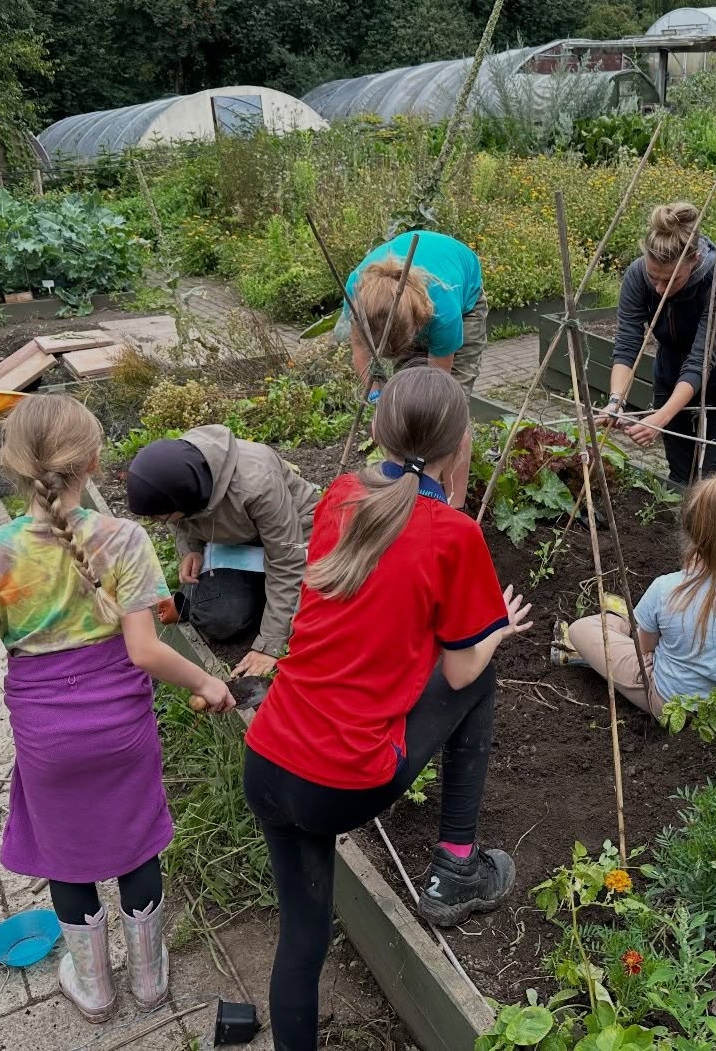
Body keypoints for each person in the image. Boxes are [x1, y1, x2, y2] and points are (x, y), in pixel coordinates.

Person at [241, 366, 532, 1050]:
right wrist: (494, 629)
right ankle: (457, 867)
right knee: (479, 677)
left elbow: (370, 606)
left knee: (302, 936)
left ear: (377, 430)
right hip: (343, 781)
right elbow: (458, 667)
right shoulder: (452, 533)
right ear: (462, 444)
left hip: (269, 759)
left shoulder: (342, 494)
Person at [0, 395, 235, 1024]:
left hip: (48, 740)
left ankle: (96, 989)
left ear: (9, 466)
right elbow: (146, 649)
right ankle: (150, 981)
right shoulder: (123, 538)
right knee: (135, 844)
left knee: (65, 854)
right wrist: (207, 684)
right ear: (94, 461)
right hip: (123, 729)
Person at [554, 474, 716, 715]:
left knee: (581, 629)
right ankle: (631, 619)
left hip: (674, 706)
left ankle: (624, 620)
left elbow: (646, 648)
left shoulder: (667, 589)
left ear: (689, 528)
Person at [125, 426, 320, 677]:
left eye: (162, 517)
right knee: (221, 620)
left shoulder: (257, 483)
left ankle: (267, 598)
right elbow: (179, 520)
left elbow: (285, 561)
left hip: (293, 536)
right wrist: (191, 549)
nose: (163, 521)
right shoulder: (182, 477)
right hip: (236, 541)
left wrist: (269, 646)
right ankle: (258, 594)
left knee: (314, 622)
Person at [600, 202, 716, 485]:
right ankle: (683, 528)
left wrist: (659, 419)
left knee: (713, 481)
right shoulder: (636, 276)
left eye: (670, 280)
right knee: (680, 474)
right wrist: (615, 401)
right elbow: (627, 343)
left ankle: (715, 529)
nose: (659, 289)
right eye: (654, 277)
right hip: (671, 376)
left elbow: (700, 360)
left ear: (694, 259)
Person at [336, 229, 488, 398]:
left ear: (415, 324)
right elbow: (359, 348)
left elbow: (439, 379)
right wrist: (375, 394)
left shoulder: (444, 310)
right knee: (407, 387)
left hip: (464, 291)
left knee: (452, 395)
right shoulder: (356, 292)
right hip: (431, 282)